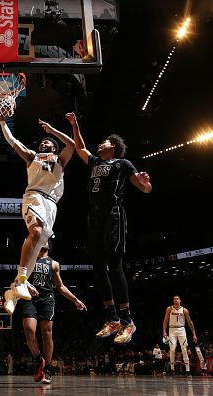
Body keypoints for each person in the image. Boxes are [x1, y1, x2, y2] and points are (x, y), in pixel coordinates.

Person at [71, 112, 151, 344]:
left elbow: (145, 189)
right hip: (94, 217)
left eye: (104, 141)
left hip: (113, 215)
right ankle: (112, 318)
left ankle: (128, 321)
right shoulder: (96, 162)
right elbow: (80, 148)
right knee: (97, 266)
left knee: (114, 266)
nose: (100, 143)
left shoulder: (122, 163)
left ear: (113, 145)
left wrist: (146, 183)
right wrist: (75, 125)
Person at [0, 115, 75, 313]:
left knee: (37, 250)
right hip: (34, 197)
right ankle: (22, 278)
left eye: (47, 141)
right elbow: (13, 142)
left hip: (52, 205)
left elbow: (72, 144)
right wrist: (3, 122)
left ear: (54, 148)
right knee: (36, 232)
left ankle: (14, 291)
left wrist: (52, 131)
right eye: (42, 141)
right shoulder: (32, 156)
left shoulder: (60, 160)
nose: (44, 142)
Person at [20, 239, 87, 384]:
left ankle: (48, 368)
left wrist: (75, 300)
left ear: (49, 245)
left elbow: (60, 286)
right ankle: (38, 360)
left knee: (47, 332)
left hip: (47, 299)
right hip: (30, 297)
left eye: (45, 240)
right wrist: (28, 285)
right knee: (29, 329)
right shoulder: (29, 257)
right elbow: (19, 278)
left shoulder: (54, 264)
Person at [162, 295, 197, 376]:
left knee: (184, 349)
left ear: (180, 300)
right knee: (172, 349)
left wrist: (194, 334)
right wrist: (164, 331)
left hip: (181, 329)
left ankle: (187, 370)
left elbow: (190, 322)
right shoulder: (169, 309)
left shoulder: (184, 310)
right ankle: (172, 369)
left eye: (177, 299)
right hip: (172, 330)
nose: (175, 300)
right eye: (174, 299)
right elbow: (165, 320)